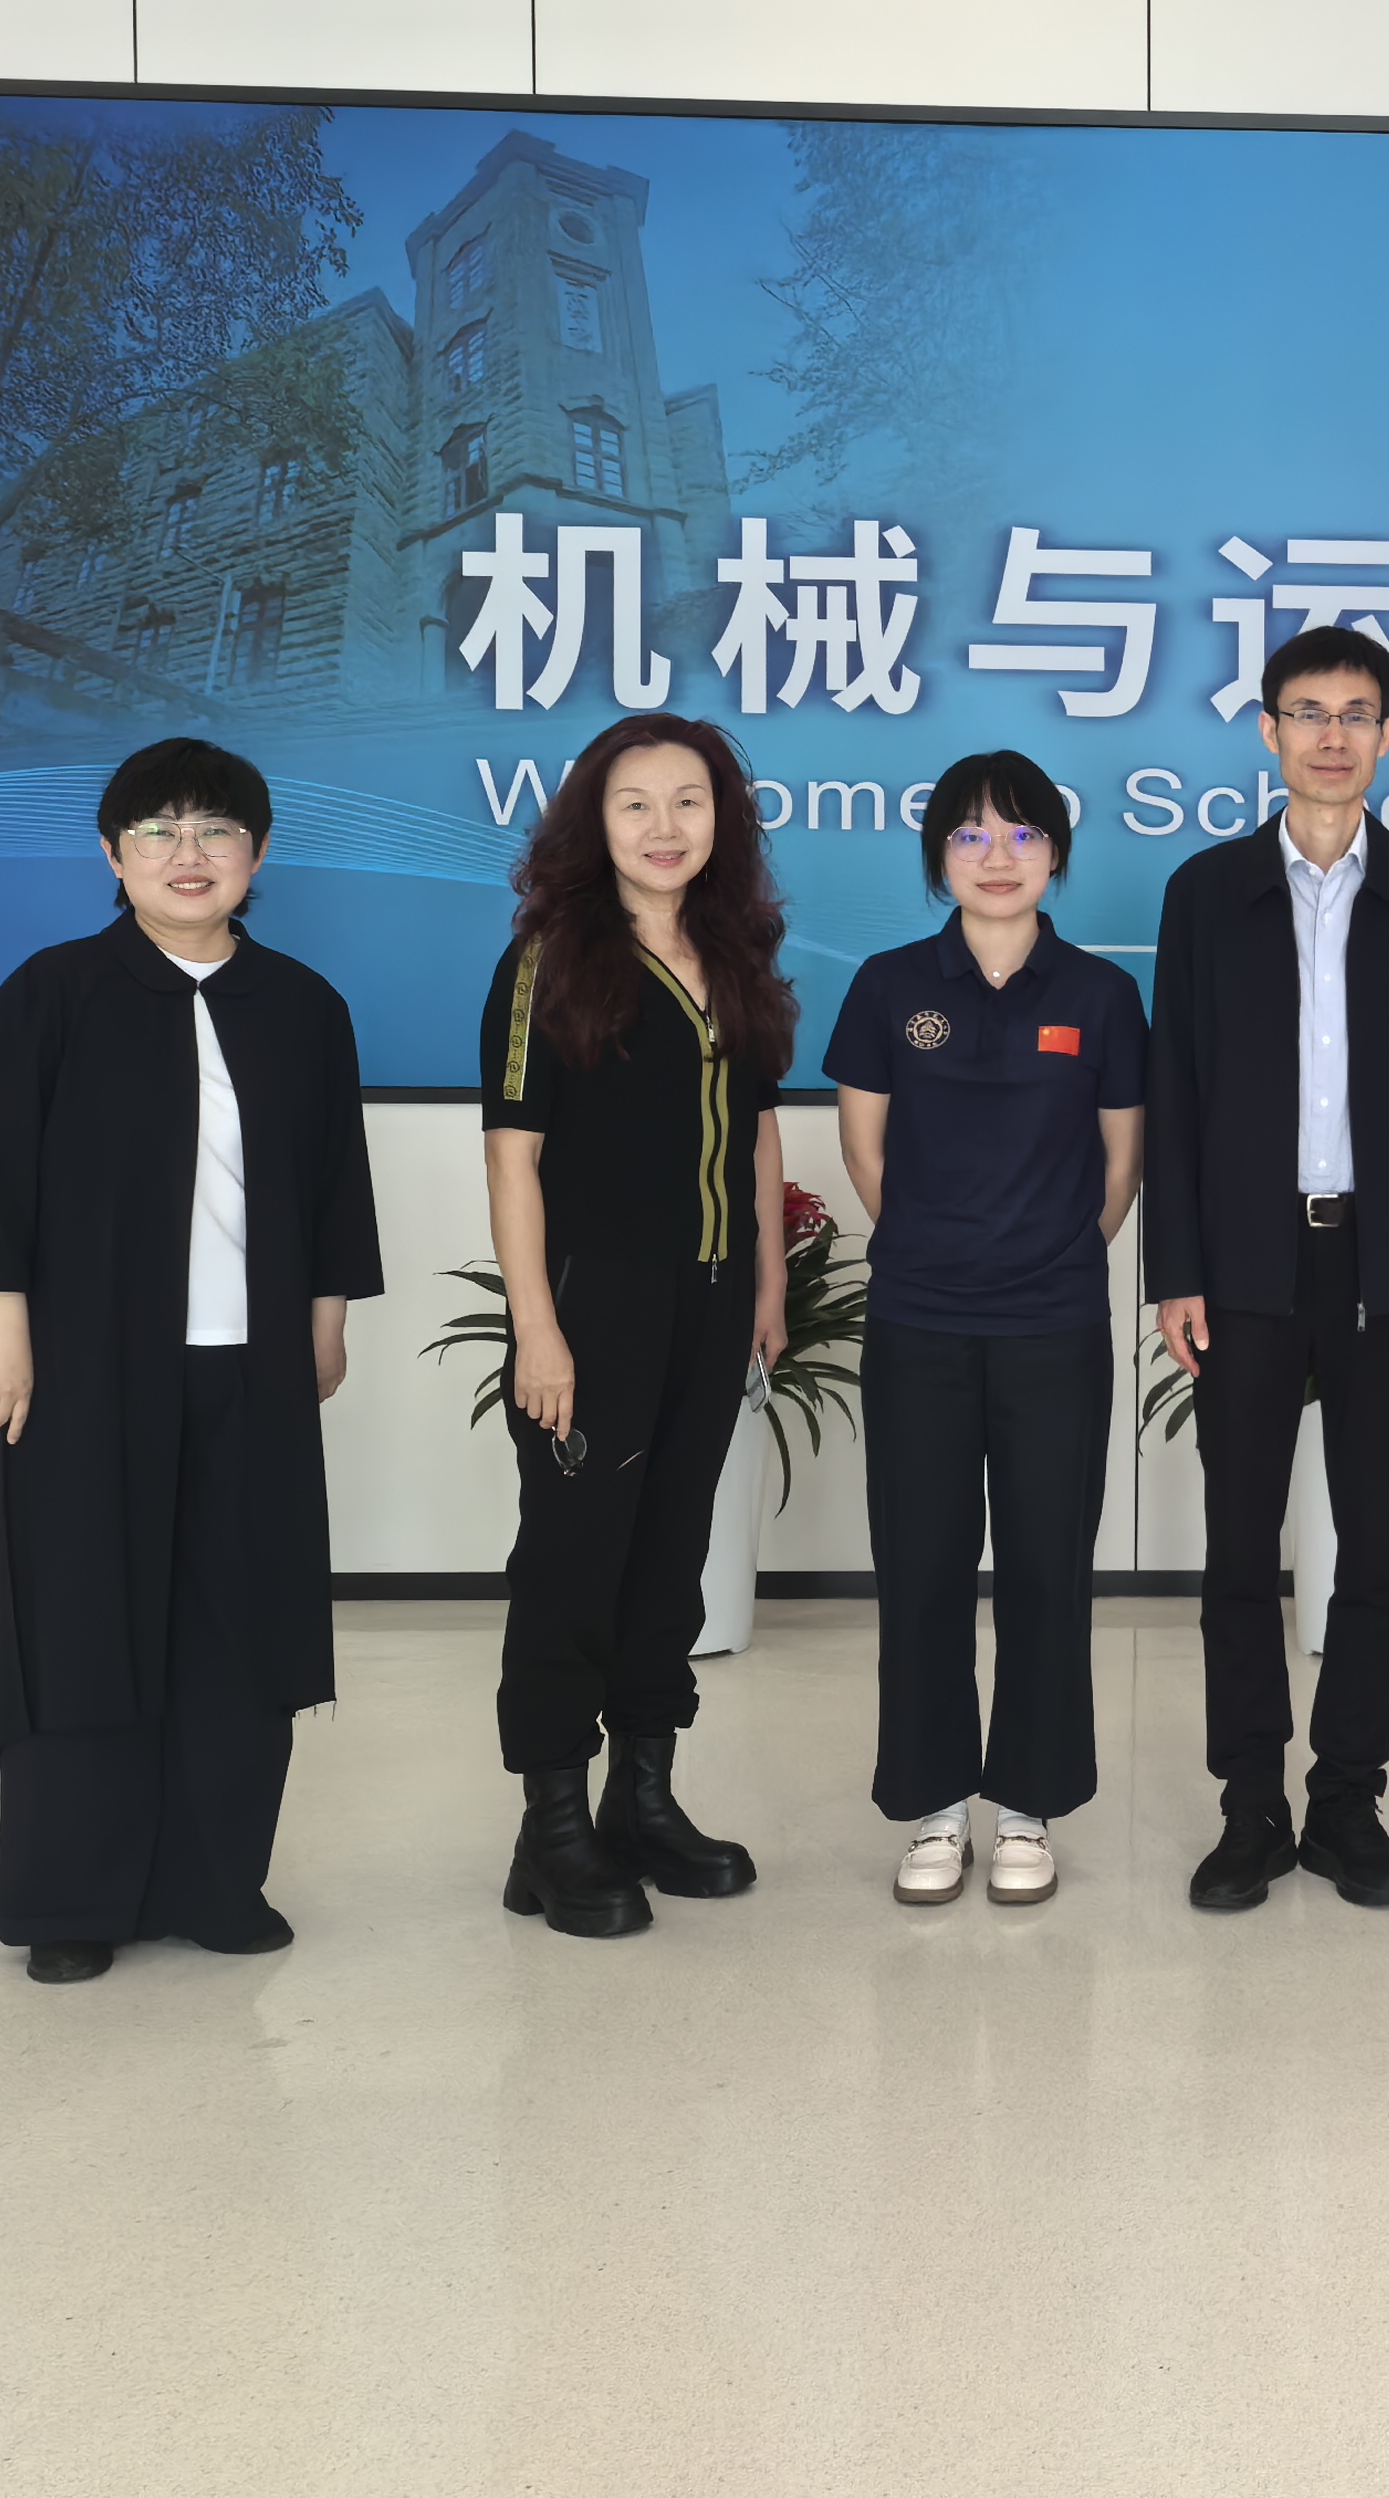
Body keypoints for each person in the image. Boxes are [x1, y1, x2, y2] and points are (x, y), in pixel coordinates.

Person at [0, 737, 381, 1986]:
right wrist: (4, 1334)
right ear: (112, 854)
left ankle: (217, 1883)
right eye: (158, 831)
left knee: (237, 1621)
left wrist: (327, 1319)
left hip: (250, 1364)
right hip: (87, 1370)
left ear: (258, 852)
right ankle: (71, 1898)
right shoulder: (52, 993)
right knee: (86, 1615)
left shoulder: (303, 1006)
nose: (187, 854)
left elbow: (334, 1181)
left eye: (215, 830)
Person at [1147, 625, 1389, 1913]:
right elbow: (1175, 1090)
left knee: (1374, 1545)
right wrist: (1175, 1266)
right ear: (1268, 731)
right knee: (1240, 1544)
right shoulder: (1205, 891)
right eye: (1308, 712)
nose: (1331, 735)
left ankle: (1349, 1797)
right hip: (1244, 1259)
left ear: (1388, 734)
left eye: (1356, 713)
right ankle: (1250, 1803)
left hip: (1385, 1262)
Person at [479, 712, 793, 1940]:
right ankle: (552, 1827)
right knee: (573, 1560)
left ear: (724, 821)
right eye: (635, 804)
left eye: (689, 802)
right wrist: (537, 1329)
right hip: (596, 1300)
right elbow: (513, 1155)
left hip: (713, 1301)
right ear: (593, 823)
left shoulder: (737, 951)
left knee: (670, 1555)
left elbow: (757, 1132)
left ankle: (642, 1798)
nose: (665, 828)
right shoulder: (550, 958)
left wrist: (766, 1287)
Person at [825, 749, 1148, 1909]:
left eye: (1021, 834)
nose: (996, 856)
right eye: (969, 834)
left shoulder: (1100, 995)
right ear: (938, 858)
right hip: (919, 1320)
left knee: (1047, 1569)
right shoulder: (887, 985)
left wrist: (1047, 1254)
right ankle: (932, 1806)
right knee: (920, 1568)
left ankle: (1026, 1805)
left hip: (1053, 1325)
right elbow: (865, 1152)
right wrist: (937, 1247)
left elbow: (1120, 1166)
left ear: (1055, 853)